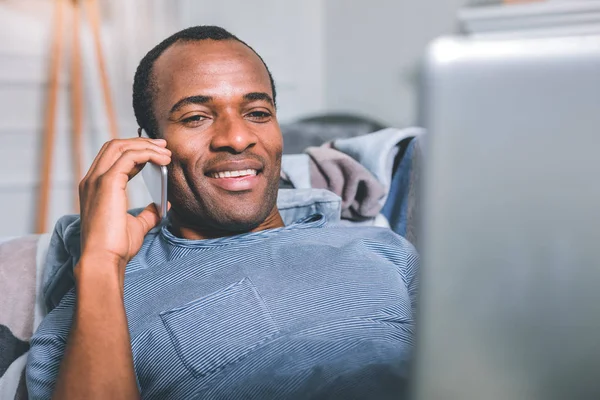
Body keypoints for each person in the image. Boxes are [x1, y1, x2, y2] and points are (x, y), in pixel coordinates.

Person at [26, 26, 419, 400]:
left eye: (258, 113)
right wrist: (101, 262)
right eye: (196, 117)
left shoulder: (381, 248)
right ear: (149, 148)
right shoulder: (97, 306)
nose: (237, 137)